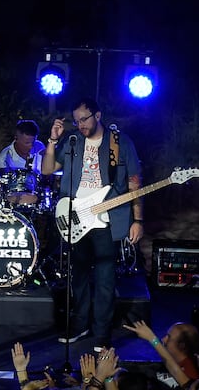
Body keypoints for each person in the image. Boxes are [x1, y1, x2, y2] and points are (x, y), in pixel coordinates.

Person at [42, 97, 144, 350]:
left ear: (98, 116)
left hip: (107, 218)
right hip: (76, 217)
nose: (80, 125)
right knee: (78, 277)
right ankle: (80, 324)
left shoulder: (119, 143)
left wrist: (138, 219)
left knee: (105, 280)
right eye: (76, 121)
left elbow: (134, 182)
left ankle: (102, 333)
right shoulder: (72, 140)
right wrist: (53, 141)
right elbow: (46, 169)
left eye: (84, 119)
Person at [124, 320, 199, 388]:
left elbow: (176, 372)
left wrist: (152, 338)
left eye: (169, 337)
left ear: (182, 345)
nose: (163, 339)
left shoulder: (190, 373)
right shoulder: (178, 363)